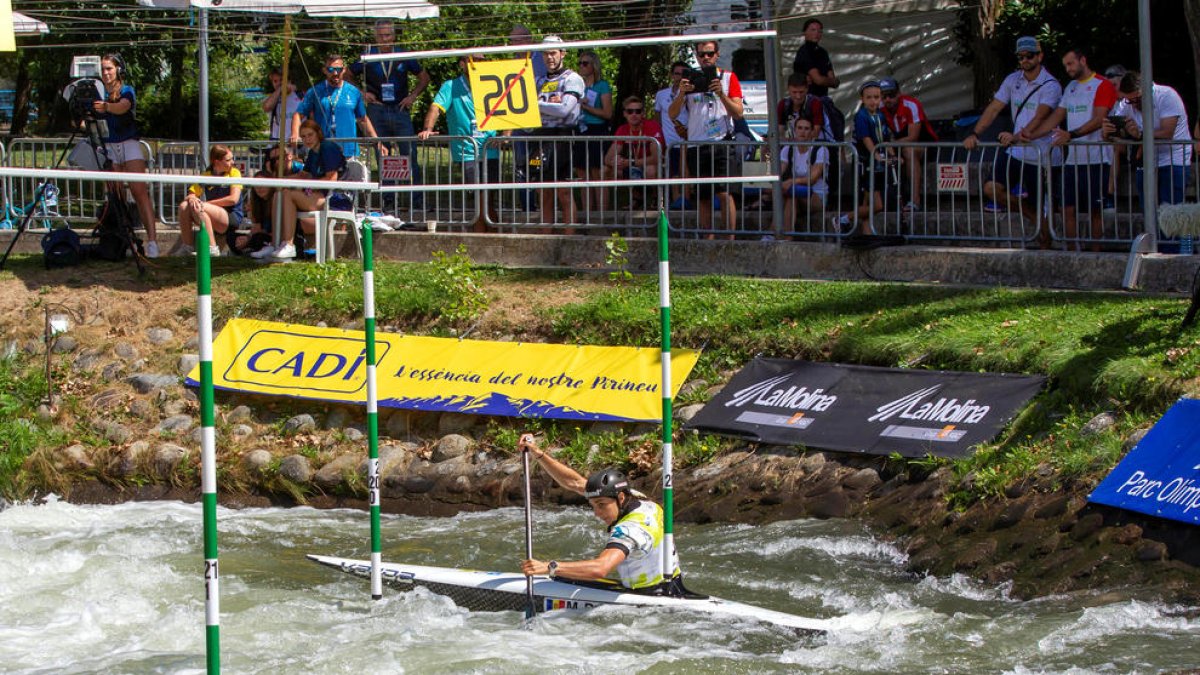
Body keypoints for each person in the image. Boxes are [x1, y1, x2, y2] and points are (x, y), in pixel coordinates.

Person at [517, 434, 683, 594]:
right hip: (674, 585)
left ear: (620, 498)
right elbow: (574, 482)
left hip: (646, 597)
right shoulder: (640, 499)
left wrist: (549, 567)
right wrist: (537, 453)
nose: (597, 513)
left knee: (563, 575)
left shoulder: (629, 530)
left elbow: (600, 568)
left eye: (601, 505)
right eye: (593, 505)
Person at [963, 36, 1063, 249]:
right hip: (1017, 152)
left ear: (1040, 56)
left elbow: (1041, 117)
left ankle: (1046, 248)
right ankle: (1032, 216)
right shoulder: (1012, 80)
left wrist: (1016, 136)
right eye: (1021, 56)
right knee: (991, 188)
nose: (1025, 60)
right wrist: (975, 133)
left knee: (1044, 207)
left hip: (1041, 154)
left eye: (1029, 56)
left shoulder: (1051, 85)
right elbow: (994, 108)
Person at [1027, 48, 1116, 251]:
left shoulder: (1102, 84)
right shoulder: (1071, 87)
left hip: (1096, 159)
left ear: (1082, 60)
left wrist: (1071, 135)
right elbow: (1056, 116)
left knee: (1095, 210)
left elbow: (1099, 118)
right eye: (1065, 66)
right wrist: (1031, 135)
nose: (1068, 69)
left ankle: (1095, 255)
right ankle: (1072, 252)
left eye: (1070, 64)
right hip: (1073, 161)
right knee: (1066, 208)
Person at [349, 19, 430, 208]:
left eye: (387, 35)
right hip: (377, 109)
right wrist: (362, 93)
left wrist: (412, 96)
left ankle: (417, 200)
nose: (384, 39)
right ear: (375, 37)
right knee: (382, 154)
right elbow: (347, 74)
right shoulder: (368, 54)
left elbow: (424, 78)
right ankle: (388, 199)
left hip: (400, 109)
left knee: (410, 153)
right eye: (380, 36)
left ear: (393, 36)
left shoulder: (403, 54)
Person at [667, 40, 744, 238]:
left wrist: (721, 94)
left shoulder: (728, 77)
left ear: (717, 54)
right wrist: (682, 93)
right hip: (697, 144)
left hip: (722, 141)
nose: (706, 58)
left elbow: (738, 112)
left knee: (725, 192)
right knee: (703, 195)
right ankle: (706, 240)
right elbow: (672, 113)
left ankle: (729, 240)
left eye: (710, 54)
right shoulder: (689, 79)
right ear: (697, 56)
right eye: (701, 54)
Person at [418, 54, 500, 232]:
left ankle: (492, 236)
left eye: (482, 60)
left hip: (490, 149)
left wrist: (506, 135)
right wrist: (427, 128)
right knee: (480, 196)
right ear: (463, 64)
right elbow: (436, 107)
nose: (478, 64)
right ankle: (482, 238)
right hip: (467, 151)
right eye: (473, 60)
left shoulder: (491, 83)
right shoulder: (451, 86)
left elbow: (509, 110)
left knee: (488, 198)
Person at [92, 53, 159, 258]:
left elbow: (123, 107)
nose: (106, 73)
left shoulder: (127, 90)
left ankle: (153, 241)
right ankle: (124, 240)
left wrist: (106, 107)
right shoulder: (97, 92)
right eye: (103, 69)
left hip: (129, 143)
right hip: (108, 145)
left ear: (118, 70)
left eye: (109, 68)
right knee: (116, 195)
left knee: (139, 191)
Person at [1105, 71, 1193, 208]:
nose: (1133, 105)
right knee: (1147, 209)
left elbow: (1167, 132)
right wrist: (1107, 132)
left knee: (1171, 210)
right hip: (1147, 161)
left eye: (1137, 99)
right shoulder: (1127, 103)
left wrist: (1139, 134)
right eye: (1129, 101)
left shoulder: (1166, 95)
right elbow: (1116, 133)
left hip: (1173, 159)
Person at [263, 120, 344, 260]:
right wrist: (279, 180)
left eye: (310, 135)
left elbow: (331, 179)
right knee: (278, 194)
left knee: (287, 194)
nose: (307, 139)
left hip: (333, 197)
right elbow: (303, 175)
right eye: (304, 136)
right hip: (316, 194)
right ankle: (275, 243)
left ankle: (289, 244)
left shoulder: (328, 147)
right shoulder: (312, 152)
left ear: (318, 133)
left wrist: (306, 185)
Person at [534, 35, 586, 233]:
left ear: (562, 53)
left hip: (565, 137)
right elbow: (527, 111)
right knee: (544, 191)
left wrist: (538, 105)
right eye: (546, 54)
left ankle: (569, 237)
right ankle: (545, 237)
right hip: (541, 137)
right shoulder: (538, 81)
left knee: (564, 191)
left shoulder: (573, 79)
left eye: (553, 53)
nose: (550, 57)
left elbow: (564, 109)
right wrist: (549, 105)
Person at [291, 54, 384, 161]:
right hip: (322, 150)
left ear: (344, 70)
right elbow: (298, 114)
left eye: (338, 69)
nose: (335, 73)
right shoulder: (315, 91)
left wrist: (377, 142)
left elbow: (362, 120)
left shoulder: (354, 92)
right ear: (325, 70)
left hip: (349, 152)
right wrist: (295, 134)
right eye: (331, 69)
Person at [834, 80, 894, 236]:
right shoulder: (861, 115)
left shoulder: (881, 115)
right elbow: (866, 138)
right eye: (869, 97)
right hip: (865, 164)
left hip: (876, 165)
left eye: (876, 97)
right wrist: (876, 154)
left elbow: (885, 138)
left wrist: (893, 154)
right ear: (862, 98)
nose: (873, 101)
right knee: (877, 205)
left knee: (867, 203)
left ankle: (867, 234)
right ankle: (844, 219)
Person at [878, 76, 938, 213]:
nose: (888, 99)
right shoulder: (879, 108)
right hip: (899, 145)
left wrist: (890, 144)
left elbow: (913, 137)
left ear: (899, 93)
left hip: (925, 144)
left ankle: (915, 201)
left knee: (908, 150)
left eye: (891, 95)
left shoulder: (911, 105)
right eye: (884, 96)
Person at [173, 144, 244, 257]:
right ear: (216, 162)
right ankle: (187, 247)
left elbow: (233, 199)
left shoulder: (234, 172)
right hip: (210, 214)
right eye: (228, 160)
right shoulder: (206, 175)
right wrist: (193, 198)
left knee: (199, 207)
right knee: (184, 206)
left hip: (231, 217)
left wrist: (205, 204)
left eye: (232, 158)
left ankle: (212, 249)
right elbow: (191, 194)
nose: (232, 162)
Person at [603, 96, 664, 208]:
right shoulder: (622, 129)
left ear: (643, 113)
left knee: (650, 169)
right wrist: (616, 161)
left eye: (638, 111)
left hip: (650, 164)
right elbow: (607, 158)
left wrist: (630, 162)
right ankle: (636, 198)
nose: (634, 114)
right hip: (631, 164)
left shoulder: (652, 126)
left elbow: (656, 158)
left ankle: (657, 198)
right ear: (624, 114)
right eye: (630, 111)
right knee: (606, 170)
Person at [574, 50, 614, 211]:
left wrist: (586, 107)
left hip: (597, 129)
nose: (581, 66)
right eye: (579, 63)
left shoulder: (602, 85)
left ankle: (602, 214)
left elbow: (607, 113)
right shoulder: (578, 86)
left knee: (597, 173)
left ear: (594, 66)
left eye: (585, 63)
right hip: (580, 129)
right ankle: (587, 213)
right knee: (582, 174)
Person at [780, 117, 829, 232]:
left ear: (812, 132)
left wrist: (791, 182)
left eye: (806, 129)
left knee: (791, 197)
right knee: (788, 198)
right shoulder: (787, 149)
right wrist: (767, 157)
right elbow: (778, 173)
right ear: (795, 130)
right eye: (800, 128)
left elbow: (812, 179)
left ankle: (773, 234)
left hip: (816, 195)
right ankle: (784, 236)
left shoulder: (820, 150)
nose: (802, 131)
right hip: (795, 193)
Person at [654, 61, 690, 208]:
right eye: (677, 73)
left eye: (683, 74)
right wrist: (660, 139)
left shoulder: (692, 94)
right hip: (669, 141)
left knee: (686, 171)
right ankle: (676, 202)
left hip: (688, 139)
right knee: (673, 171)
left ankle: (687, 201)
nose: (679, 77)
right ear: (671, 75)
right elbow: (657, 117)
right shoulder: (661, 94)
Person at [791, 18, 839, 98]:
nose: (816, 33)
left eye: (819, 31)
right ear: (805, 32)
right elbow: (818, 80)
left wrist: (831, 81)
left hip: (823, 98)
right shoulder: (804, 52)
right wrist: (829, 80)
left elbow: (833, 80)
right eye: (813, 30)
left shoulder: (823, 52)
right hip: (808, 99)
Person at [776, 72, 824, 142]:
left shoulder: (815, 104)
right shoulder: (783, 104)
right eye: (794, 92)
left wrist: (792, 141)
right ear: (788, 89)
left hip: (814, 144)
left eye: (801, 92)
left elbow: (816, 133)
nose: (798, 96)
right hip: (793, 144)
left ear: (807, 89)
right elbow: (779, 131)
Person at [262, 68, 302, 141]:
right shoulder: (272, 97)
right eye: (275, 81)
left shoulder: (300, 95)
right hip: (277, 142)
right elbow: (266, 107)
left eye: (281, 80)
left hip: (297, 141)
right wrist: (280, 89)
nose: (278, 83)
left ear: (289, 81)